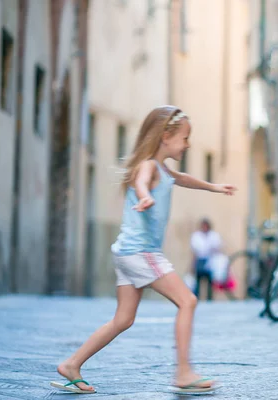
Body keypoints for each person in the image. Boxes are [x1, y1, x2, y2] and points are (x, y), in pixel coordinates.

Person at [50, 106, 236, 394]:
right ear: (166, 136)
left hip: (126, 252)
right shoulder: (148, 166)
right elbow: (139, 181)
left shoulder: (164, 170)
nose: (188, 144)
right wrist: (145, 196)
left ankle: (72, 364)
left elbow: (183, 178)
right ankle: (184, 372)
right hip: (140, 252)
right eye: (185, 138)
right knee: (188, 301)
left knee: (123, 319)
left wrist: (214, 187)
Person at [190, 218, 221, 300]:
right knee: (198, 281)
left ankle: (209, 299)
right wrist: (192, 265)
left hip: (210, 260)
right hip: (200, 260)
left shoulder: (214, 235)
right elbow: (194, 252)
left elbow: (217, 248)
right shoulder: (196, 236)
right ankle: (196, 298)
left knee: (210, 282)